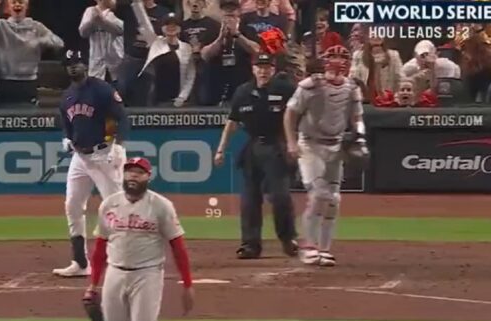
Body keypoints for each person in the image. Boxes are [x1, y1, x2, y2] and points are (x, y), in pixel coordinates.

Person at [83, 156, 194, 321]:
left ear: (148, 176)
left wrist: (187, 284)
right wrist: (93, 285)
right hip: (115, 273)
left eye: (139, 172)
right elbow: (99, 249)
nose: (133, 176)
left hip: (148, 276)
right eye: (129, 171)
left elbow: (178, 247)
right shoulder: (109, 205)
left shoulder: (161, 206)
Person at [283, 45, 368, 267]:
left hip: (336, 144)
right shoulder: (310, 86)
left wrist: (360, 138)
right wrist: (291, 142)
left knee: (334, 199)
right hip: (310, 144)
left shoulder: (351, 88)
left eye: (343, 57)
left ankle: (324, 248)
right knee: (319, 194)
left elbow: (357, 116)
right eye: (334, 57)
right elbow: (290, 114)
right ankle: (309, 247)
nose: (339, 61)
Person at [213, 53, 297, 259]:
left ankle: (288, 239)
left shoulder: (285, 89)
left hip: (277, 145)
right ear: (253, 69)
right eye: (259, 67)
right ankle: (250, 244)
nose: (263, 71)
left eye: (267, 67)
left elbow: (299, 114)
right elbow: (232, 122)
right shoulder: (243, 91)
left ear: (274, 70)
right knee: (250, 199)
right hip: (253, 146)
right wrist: (221, 149)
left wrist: (294, 142)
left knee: (280, 196)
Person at [52, 49, 128, 278]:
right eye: (69, 64)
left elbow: (121, 117)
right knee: (73, 205)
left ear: (84, 65)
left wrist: (117, 146)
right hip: (81, 157)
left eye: (77, 62)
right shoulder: (67, 96)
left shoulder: (101, 89)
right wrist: (66, 138)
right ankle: (80, 262)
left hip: (104, 154)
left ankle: (125, 259)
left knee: (116, 207)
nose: (73, 67)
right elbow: (67, 123)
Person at [0, 0, 63, 107]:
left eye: (21, 2)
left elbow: (59, 43)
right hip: (6, 81)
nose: (17, 5)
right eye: (14, 2)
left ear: (26, 6)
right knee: (6, 118)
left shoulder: (36, 27)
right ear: (9, 6)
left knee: (28, 118)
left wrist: (40, 41)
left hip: (28, 82)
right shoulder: (2, 25)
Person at [132, 7, 195, 107]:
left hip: (177, 98)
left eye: (174, 24)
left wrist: (183, 97)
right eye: (167, 24)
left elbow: (190, 75)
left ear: (179, 28)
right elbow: (144, 23)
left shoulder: (186, 48)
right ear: (162, 28)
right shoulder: (156, 43)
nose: (171, 27)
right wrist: (137, 4)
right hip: (156, 97)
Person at [78, 0, 124, 83]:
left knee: (117, 90)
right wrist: (92, 22)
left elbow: (120, 30)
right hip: (97, 63)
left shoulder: (118, 11)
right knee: (97, 90)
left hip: (116, 61)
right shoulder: (90, 11)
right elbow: (83, 33)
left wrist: (102, 22)